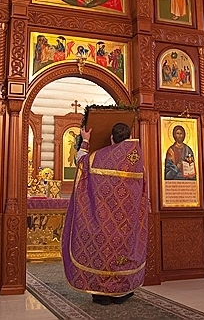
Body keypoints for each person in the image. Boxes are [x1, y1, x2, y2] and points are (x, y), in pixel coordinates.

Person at [62, 123, 147, 306]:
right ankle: (121, 291)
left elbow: (80, 162)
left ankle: (101, 293)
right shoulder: (137, 162)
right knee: (123, 254)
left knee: (103, 254)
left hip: (103, 220)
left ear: (111, 138)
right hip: (127, 225)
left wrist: (85, 141)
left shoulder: (98, 158)